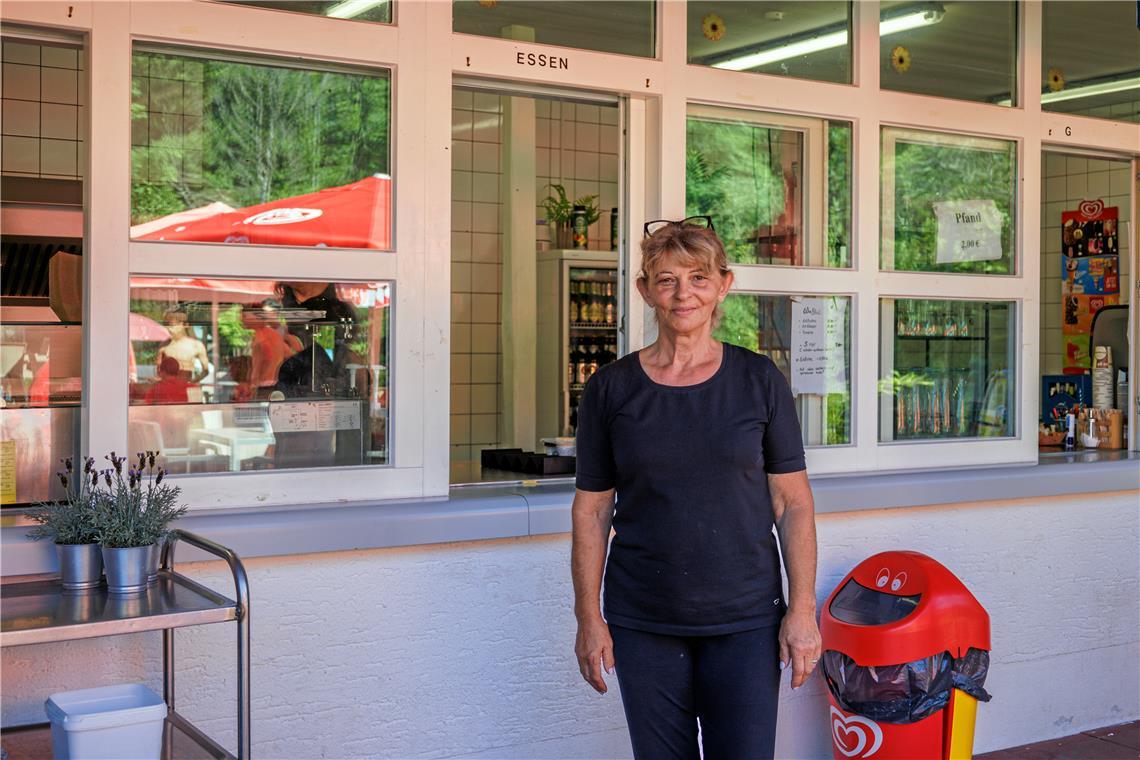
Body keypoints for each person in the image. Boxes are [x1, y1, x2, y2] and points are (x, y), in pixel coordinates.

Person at [570, 217, 821, 760]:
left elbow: (793, 503)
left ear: (723, 285)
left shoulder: (759, 380)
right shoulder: (610, 390)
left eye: (698, 278)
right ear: (645, 291)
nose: (683, 294)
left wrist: (802, 611)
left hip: (747, 620)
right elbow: (591, 514)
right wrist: (588, 619)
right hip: (643, 621)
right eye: (666, 280)